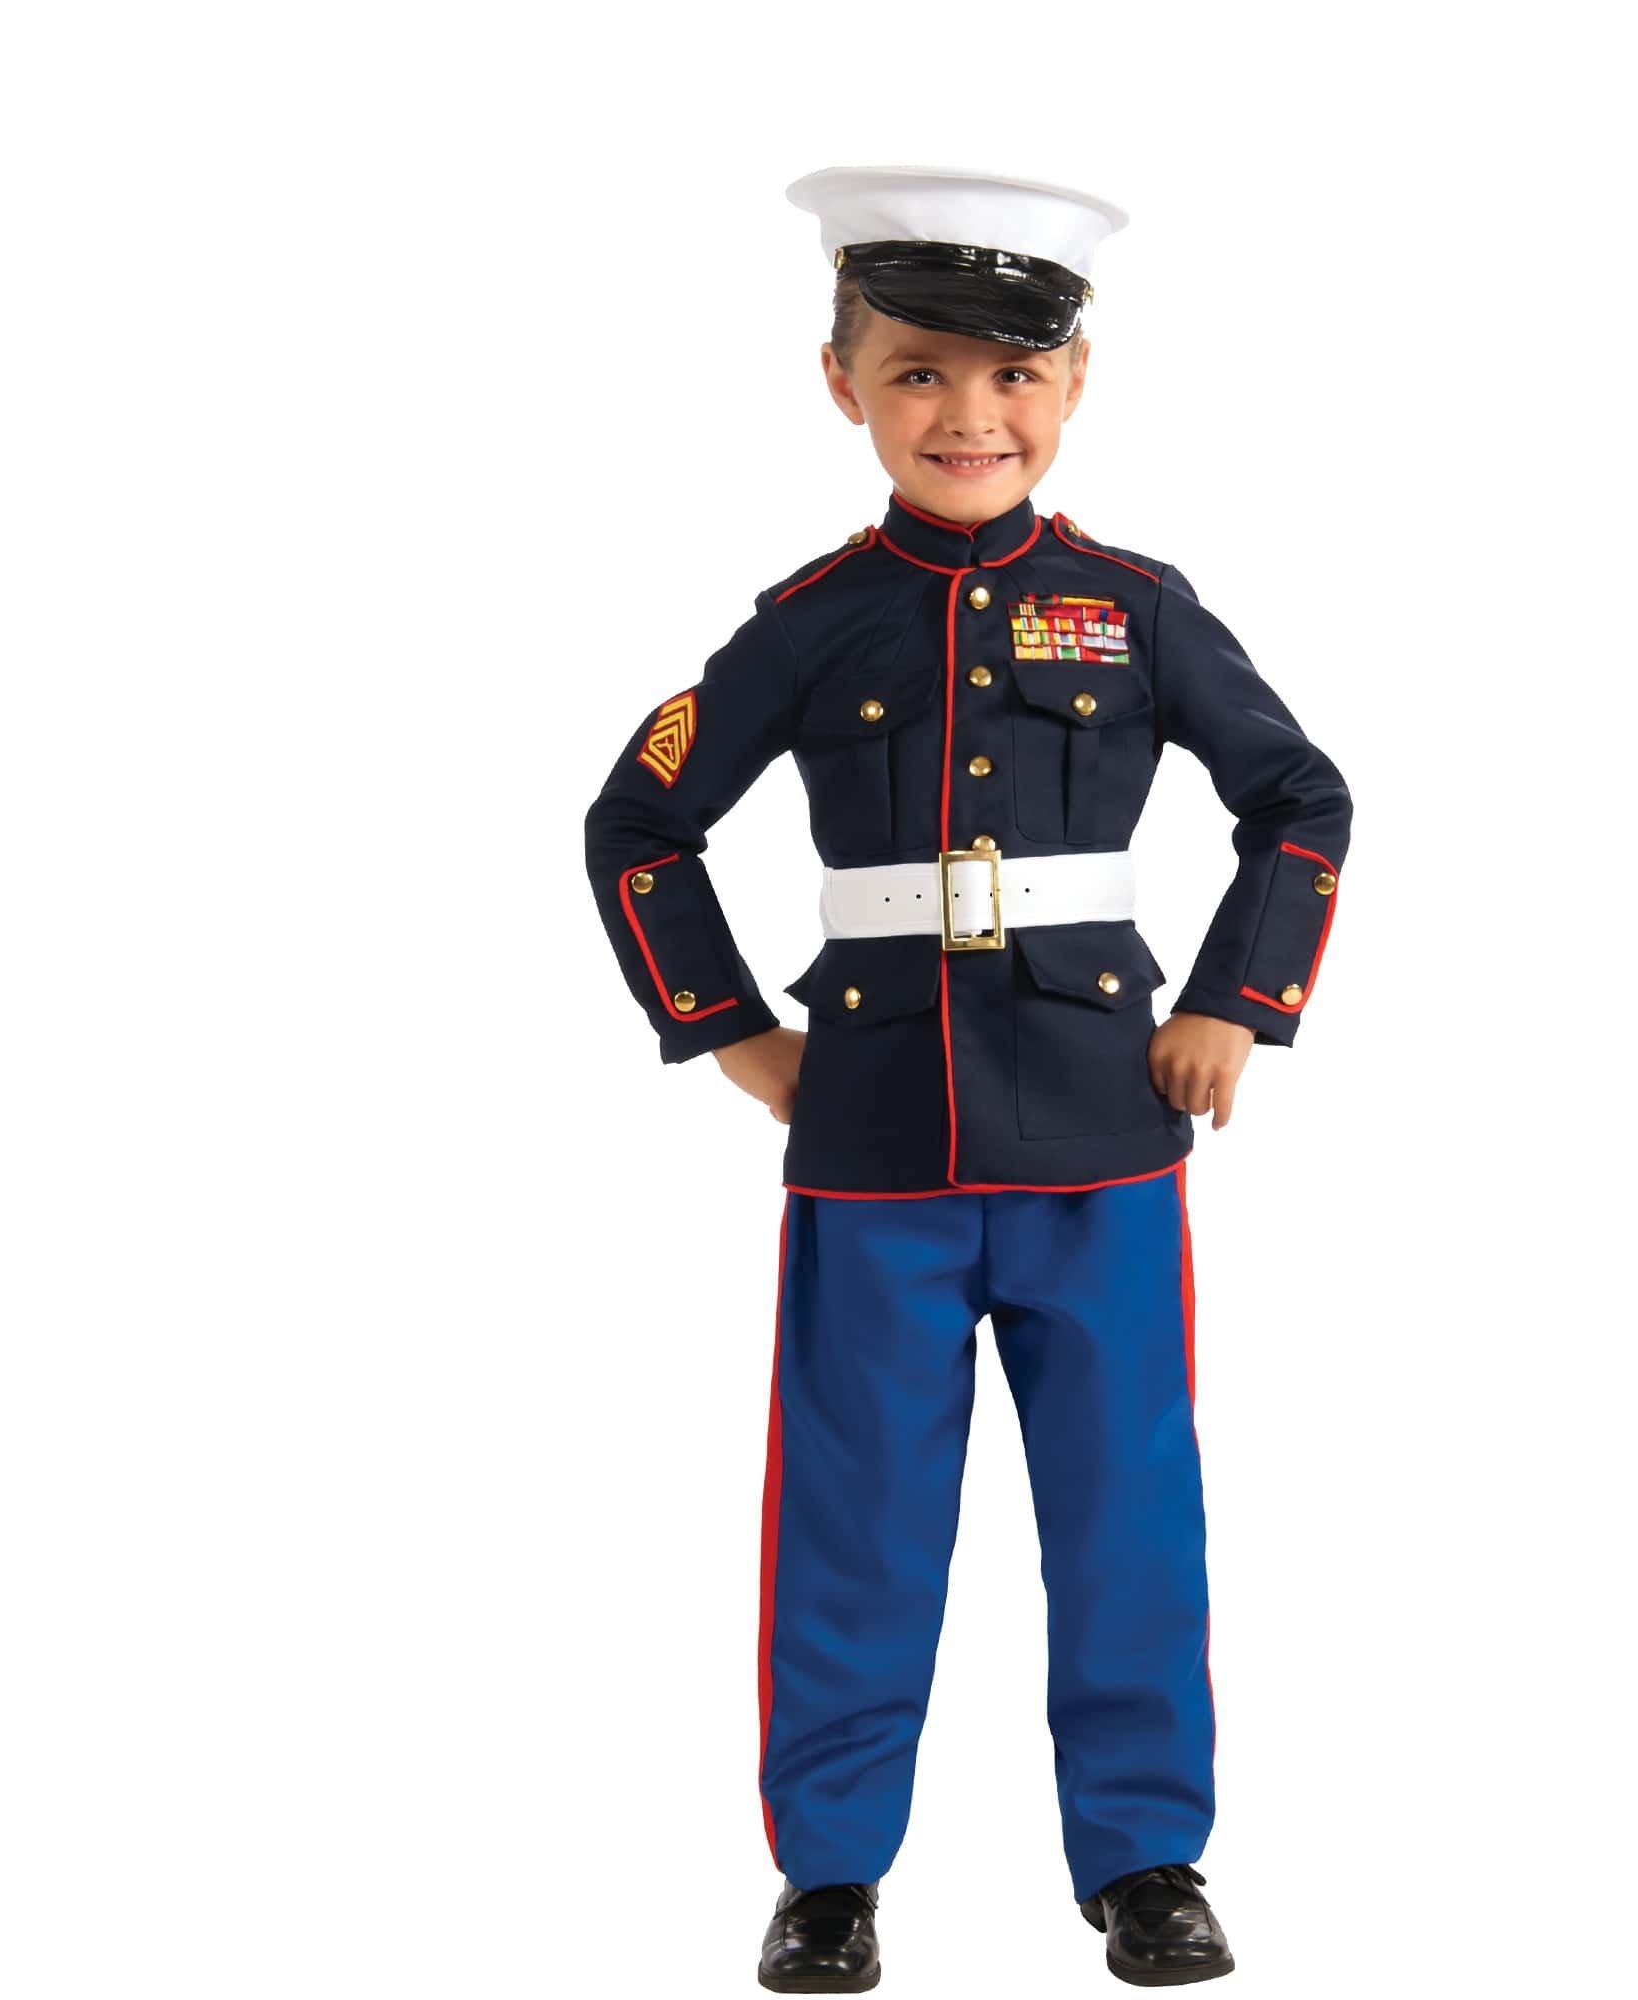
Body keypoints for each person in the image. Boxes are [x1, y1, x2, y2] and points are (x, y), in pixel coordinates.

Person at [583, 164, 1352, 1990]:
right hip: (873, 1140)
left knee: (1126, 1511)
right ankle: (831, 1873)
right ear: (841, 383)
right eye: (919, 371)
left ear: (1075, 382)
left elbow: (1301, 797)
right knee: (854, 1520)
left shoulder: (1135, 607)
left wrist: (1239, 1003)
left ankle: (1147, 1858)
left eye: (1014, 374)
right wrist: (732, 1033)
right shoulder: (809, 622)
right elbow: (638, 824)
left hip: (1103, 1129)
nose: (968, 414)